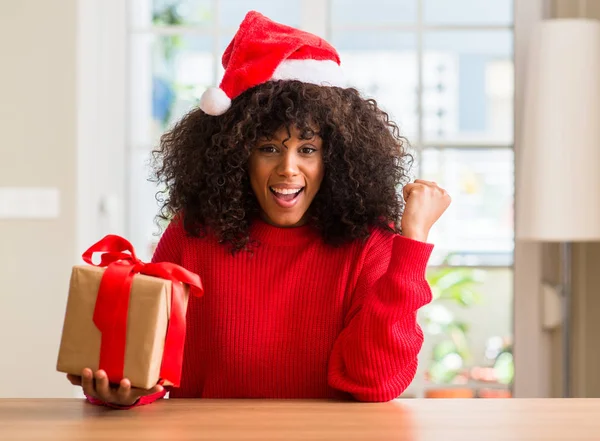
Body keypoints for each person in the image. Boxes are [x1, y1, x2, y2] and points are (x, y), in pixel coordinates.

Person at [67, 10, 450, 408]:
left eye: (307, 150)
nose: (288, 168)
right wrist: (122, 393)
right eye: (268, 148)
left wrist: (413, 243)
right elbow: (156, 373)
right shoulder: (193, 232)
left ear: (332, 159)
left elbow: (375, 383)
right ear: (237, 155)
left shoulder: (368, 243)